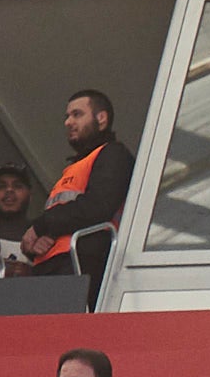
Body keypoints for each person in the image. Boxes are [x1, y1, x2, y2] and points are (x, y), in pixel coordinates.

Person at [26, 87, 134, 303]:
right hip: (52, 267)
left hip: (81, 266)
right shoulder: (76, 167)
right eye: (67, 116)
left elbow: (97, 206)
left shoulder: (113, 154)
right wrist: (38, 241)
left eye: (77, 114)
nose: (68, 122)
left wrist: (41, 225)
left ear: (101, 118)